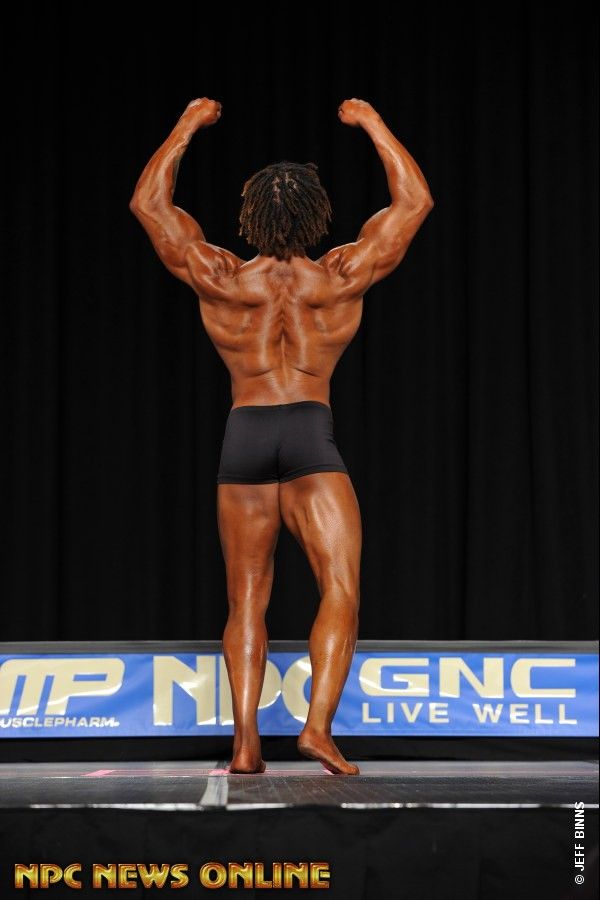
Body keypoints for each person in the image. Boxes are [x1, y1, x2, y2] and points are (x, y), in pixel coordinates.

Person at [130, 96, 433, 774]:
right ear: (318, 215)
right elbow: (414, 203)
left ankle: (245, 746)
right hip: (308, 435)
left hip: (244, 434)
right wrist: (372, 122)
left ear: (251, 217)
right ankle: (316, 729)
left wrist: (187, 124)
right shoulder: (341, 276)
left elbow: (149, 206)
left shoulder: (221, 277)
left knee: (246, 598)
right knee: (340, 586)